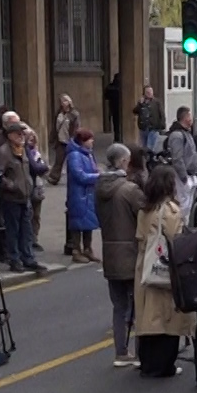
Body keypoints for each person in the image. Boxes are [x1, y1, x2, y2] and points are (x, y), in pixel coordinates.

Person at [133, 166, 194, 380]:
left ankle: (147, 362)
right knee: (167, 320)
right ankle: (163, 365)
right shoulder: (171, 211)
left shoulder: (145, 209)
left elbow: (140, 237)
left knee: (147, 318)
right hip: (165, 269)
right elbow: (177, 240)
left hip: (145, 265)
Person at [94, 144, 145, 366]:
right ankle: (140, 354)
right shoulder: (129, 190)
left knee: (119, 306)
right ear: (123, 162)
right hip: (130, 252)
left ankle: (121, 352)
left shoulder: (99, 188)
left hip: (110, 250)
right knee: (139, 304)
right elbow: (144, 215)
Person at [0, 123, 40, 273]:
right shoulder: (4, 152)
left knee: (26, 229)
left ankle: (28, 258)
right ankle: (15, 259)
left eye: (22, 134)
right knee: (13, 230)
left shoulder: (23, 150)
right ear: (10, 135)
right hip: (12, 198)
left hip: (25, 197)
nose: (22, 136)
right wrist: (11, 185)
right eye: (18, 134)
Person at [62, 129, 99, 263]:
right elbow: (79, 175)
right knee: (78, 223)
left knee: (88, 222)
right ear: (83, 141)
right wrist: (98, 177)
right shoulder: (75, 155)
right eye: (90, 139)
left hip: (88, 193)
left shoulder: (88, 154)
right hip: (78, 194)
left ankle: (88, 249)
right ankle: (76, 250)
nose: (92, 141)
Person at [133, 84, 165, 151]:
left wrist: (162, 125)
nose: (150, 93)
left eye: (151, 91)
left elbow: (161, 114)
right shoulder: (142, 102)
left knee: (150, 146)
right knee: (143, 146)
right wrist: (140, 104)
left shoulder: (157, 102)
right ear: (144, 93)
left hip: (153, 128)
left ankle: (150, 158)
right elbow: (135, 111)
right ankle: (145, 159)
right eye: (147, 92)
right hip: (143, 128)